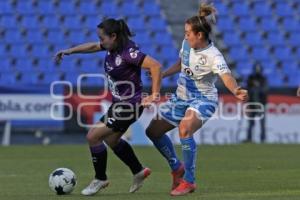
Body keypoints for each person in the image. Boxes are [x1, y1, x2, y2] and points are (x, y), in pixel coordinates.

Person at [145, 4, 248, 196]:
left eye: (188, 33)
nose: (185, 36)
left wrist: (236, 90)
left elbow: (226, 75)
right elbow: (182, 62)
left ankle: (189, 181)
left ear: (199, 35)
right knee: (153, 131)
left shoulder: (213, 55)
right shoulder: (187, 45)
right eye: (185, 33)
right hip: (181, 97)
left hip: (204, 99)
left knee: (184, 129)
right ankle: (177, 167)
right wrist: (164, 74)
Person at [54, 18, 161, 196]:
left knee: (92, 137)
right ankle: (138, 171)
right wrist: (70, 51)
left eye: (102, 38)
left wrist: (154, 94)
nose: (100, 42)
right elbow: (92, 47)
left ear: (113, 36)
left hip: (129, 106)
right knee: (112, 140)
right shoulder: (113, 46)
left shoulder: (128, 53)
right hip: (119, 105)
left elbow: (156, 66)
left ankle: (100, 178)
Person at [244, 62, 268, 143]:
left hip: (261, 104)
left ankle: (263, 139)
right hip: (252, 104)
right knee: (251, 123)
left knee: (262, 123)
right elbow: (247, 91)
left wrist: (258, 87)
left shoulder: (263, 79)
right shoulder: (250, 78)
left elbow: (265, 91)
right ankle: (249, 138)